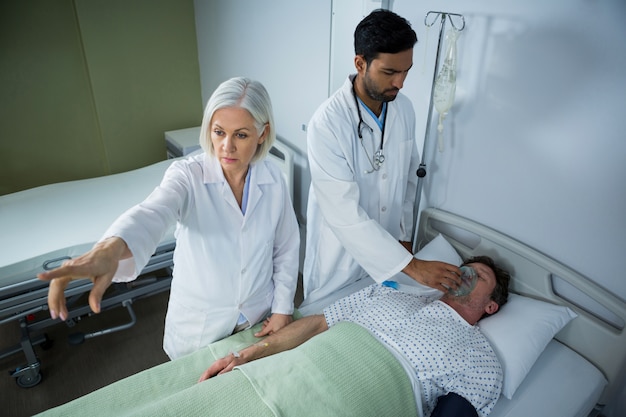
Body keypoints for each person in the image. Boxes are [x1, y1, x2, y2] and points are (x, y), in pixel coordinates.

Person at [37, 77, 300, 360]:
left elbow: (284, 248)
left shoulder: (273, 179)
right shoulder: (187, 175)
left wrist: (283, 308)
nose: (226, 146)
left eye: (241, 135)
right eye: (219, 132)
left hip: (256, 319)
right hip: (199, 328)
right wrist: (109, 249)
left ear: (263, 133)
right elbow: (152, 212)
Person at [200, 255, 511, 417]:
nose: (464, 274)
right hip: (295, 369)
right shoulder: (392, 293)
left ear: (491, 305)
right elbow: (317, 324)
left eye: (479, 276)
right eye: (462, 268)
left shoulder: (481, 360)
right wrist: (250, 354)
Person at [300, 9, 461, 311]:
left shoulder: (404, 109)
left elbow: (409, 181)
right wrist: (412, 266)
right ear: (360, 63)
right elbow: (344, 213)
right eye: (390, 72)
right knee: (322, 327)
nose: (400, 83)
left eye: (406, 71)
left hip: (389, 252)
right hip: (339, 260)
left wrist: (402, 236)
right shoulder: (328, 123)